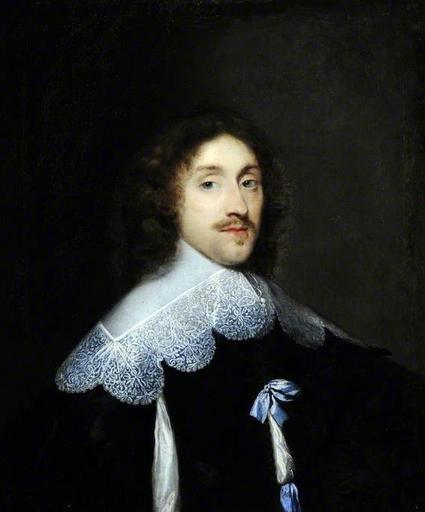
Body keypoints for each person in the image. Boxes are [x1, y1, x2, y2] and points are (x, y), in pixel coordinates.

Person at [2, 113, 424, 512]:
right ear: (166, 199)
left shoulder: (266, 304)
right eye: (209, 184)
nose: (238, 205)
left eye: (249, 182)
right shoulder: (128, 347)